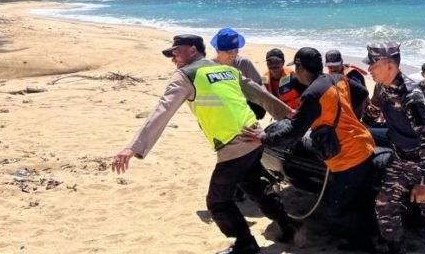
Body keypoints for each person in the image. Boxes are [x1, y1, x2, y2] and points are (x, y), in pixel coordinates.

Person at [111, 34, 298, 254]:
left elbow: (162, 111)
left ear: (192, 50)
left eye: (175, 52)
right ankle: (288, 226)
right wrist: (288, 113)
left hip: (234, 144)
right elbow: (260, 93)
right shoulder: (226, 70)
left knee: (217, 201)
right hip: (256, 136)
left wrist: (134, 147)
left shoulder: (185, 75)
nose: (173, 58)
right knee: (253, 185)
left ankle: (245, 244)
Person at [241, 47, 377, 252]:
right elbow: (362, 93)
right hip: (363, 141)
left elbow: (293, 133)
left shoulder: (312, 95)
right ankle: (369, 231)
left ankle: (367, 241)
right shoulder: (337, 78)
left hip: (348, 157)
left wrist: (264, 138)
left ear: (300, 68)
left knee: (333, 209)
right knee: (357, 195)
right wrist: (347, 118)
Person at [365, 42, 425, 254]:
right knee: (384, 203)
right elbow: (371, 114)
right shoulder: (382, 87)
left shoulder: (412, 95)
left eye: (373, 64)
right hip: (400, 156)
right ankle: (394, 246)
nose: (369, 69)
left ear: (389, 65)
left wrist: (424, 182)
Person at [211, 28, 267, 119]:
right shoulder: (209, 67)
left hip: (245, 109)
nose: (233, 54)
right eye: (229, 51)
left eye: (236, 50)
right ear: (218, 51)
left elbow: (260, 86)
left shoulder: (244, 63)